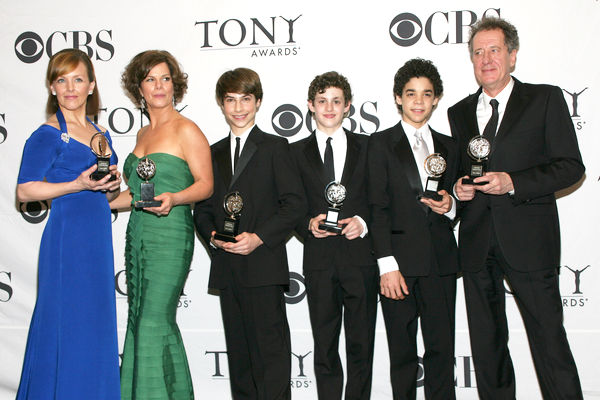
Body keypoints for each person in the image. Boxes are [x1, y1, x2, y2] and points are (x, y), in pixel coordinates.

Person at [448, 17, 584, 399]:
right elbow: (462, 172)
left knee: (550, 346)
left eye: (494, 50)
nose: (486, 59)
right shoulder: (459, 113)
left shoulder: (544, 99)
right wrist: (459, 188)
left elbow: (571, 167)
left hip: (529, 243)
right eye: (478, 52)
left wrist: (514, 182)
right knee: (487, 352)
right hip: (476, 244)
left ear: (512, 56)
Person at [193, 67, 305, 400]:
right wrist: (212, 235)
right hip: (228, 270)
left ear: (257, 102)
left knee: (270, 360)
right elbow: (202, 209)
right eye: (231, 100)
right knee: (240, 362)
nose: (238, 107)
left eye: (246, 99)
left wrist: (258, 238)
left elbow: (294, 205)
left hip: (263, 268)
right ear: (221, 103)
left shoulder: (275, 147)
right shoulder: (210, 153)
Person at [15, 48, 121, 399]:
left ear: (92, 86)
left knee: (94, 327)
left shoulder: (100, 133)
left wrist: (139, 197)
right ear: (51, 87)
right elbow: (25, 190)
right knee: (65, 324)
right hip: (67, 244)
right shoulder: (46, 134)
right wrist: (77, 183)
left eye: (78, 79)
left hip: (97, 243)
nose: (71, 87)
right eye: (62, 80)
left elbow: (102, 197)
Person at [112, 50, 213, 400]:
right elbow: (136, 194)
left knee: (154, 321)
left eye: (165, 78)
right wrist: (95, 199)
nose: (159, 86)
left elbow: (205, 184)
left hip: (170, 235)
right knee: (140, 320)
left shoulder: (186, 129)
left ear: (175, 85)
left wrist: (175, 198)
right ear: (139, 87)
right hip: (138, 234)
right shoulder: (141, 133)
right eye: (150, 79)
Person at [368, 58, 459, 400]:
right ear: (397, 98)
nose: (418, 101)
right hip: (399, 268)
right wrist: (386, 264)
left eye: (427, 94)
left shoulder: (450, 146)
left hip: (441, 264)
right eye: (411, 94)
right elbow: (376, 208)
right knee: (402, 355)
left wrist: (451, 207)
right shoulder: (378, 144)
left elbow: (458, 198)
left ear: (436, 99)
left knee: (442, 351)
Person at [290, 71, 378, 400]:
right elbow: (289, 204)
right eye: (322, 101)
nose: (329, 107)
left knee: (361, 346)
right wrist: (306, 224)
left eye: (336, 101)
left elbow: (380, 199)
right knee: (325, 347)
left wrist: (363, 222)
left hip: (360, 260)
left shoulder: (369, 146)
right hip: (319, 261)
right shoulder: (293, 153)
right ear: (310, 105)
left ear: (348, 106)